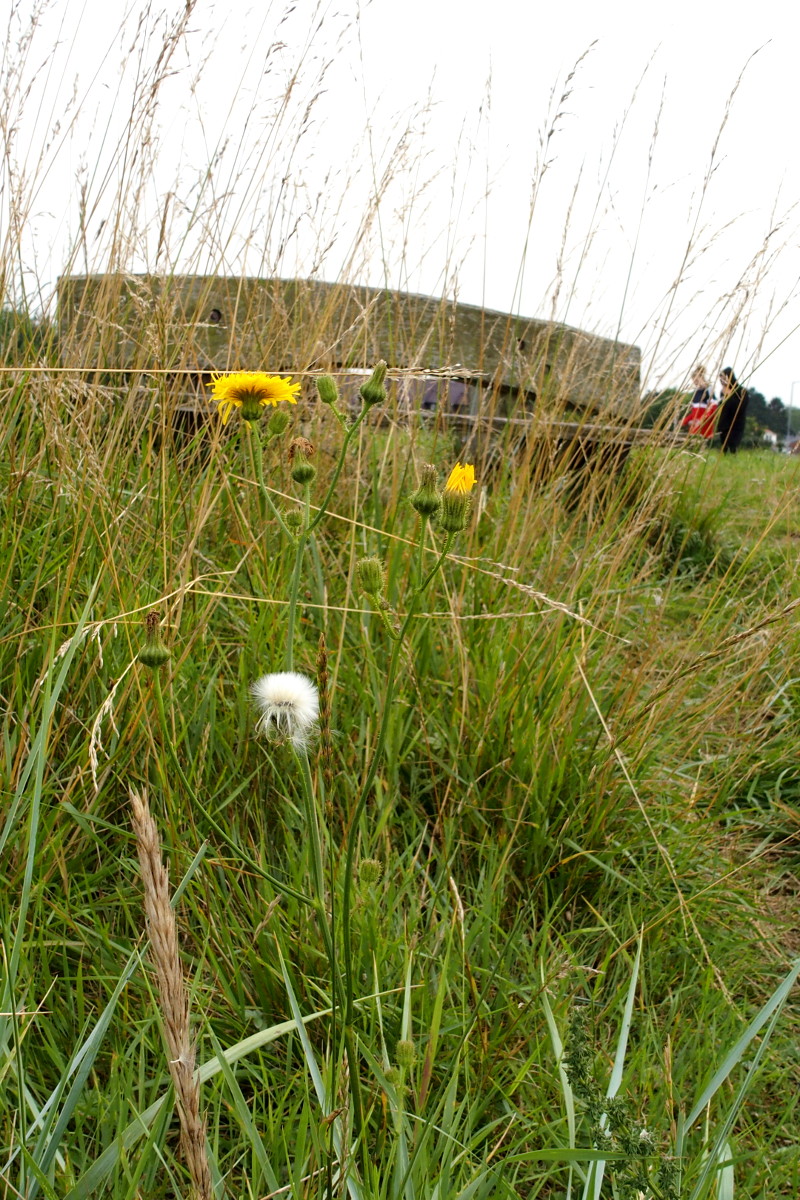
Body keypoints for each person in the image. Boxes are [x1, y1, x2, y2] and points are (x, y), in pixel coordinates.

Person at [717, 367, 749, 453]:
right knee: (724, 445)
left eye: (724, 379)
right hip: (724, 423)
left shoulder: (741, 391)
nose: (722, 382)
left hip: (736, 423)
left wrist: (729, 395)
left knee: (732, 445)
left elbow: (740, 407)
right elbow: (721, 406)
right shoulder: (722, 392)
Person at [681, 366, 717, 438]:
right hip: (694, 429)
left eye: (697, 380)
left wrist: (701, 420)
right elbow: (693, 413)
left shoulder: (709, 390)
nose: (695, 383)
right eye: (694, 381)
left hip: (705, 428)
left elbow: (713, 409)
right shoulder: (696, 392)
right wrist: (685, 421)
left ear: (702, 377)